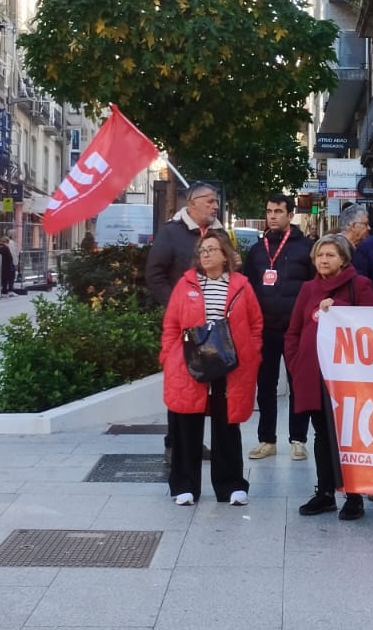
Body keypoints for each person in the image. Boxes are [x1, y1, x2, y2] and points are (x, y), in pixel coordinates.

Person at [159, 230, 261, 507]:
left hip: (230, 364)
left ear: (225, 255)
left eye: (212, 249)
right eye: (202, 250)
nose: (205, 255)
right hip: (190, 363)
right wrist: (169, 356)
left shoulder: (241, 285)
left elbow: (255, 324)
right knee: (186, 425)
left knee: (226, 425)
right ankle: (184, 485)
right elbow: (171, 324)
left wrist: (252, 352)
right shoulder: (186, 285)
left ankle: (231, 486)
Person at [287, 235, 373, 521]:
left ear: (344, 259)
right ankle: (325, 492)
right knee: (322, 434)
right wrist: (296, 362)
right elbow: (294, 330)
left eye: (330, 255)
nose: (324, 260)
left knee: (347, 436)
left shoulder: (359, 285)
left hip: (347, 377)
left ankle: (354, 496)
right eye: (320, 255)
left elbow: (372, 326)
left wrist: (337, 309)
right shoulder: (308, 288)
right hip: (312, 374)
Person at [147, 184, 226, 461]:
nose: (215, 206)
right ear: (192, 203)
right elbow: (154, 274)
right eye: (210, 201)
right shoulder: (171, 233)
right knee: (182, 383)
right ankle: (174, 443)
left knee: (208, 384)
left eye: (216, 201)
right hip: (183, 326)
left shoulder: (219, 233)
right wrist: (176, 307)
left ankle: (196, 441)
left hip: (214, 326)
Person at [243, 194, 316, 462]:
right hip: (265, 329)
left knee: (299, 385)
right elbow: (248, 288)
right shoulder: (257, 250)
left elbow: (314, 287)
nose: (272, 216)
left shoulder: (306, 248)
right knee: (265, 386)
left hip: (295, 330)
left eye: (278, 211)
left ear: (290, 215)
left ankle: (298, 440)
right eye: (269, 211)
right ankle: (267, 440)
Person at [0, 232, 17, 296]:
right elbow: (10, 258)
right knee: (7, 278)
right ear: (6, 242)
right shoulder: (5, 248)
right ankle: (6, 291)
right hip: (5, 266)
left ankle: (0, 291)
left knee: (0, 279)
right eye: (8, 243)